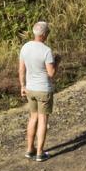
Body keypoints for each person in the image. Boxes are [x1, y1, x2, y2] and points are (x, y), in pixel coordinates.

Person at [19, 20, 58, 160]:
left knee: (33, 117)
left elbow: (21, 69)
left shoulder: (25, 47)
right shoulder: (46, 51)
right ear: (44, 34)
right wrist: (57, 62)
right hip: (43, 89)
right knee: (43, 120)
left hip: (30, 88)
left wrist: (22, 86)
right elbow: (51, 73)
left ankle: (30, 149)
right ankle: (40, 152)